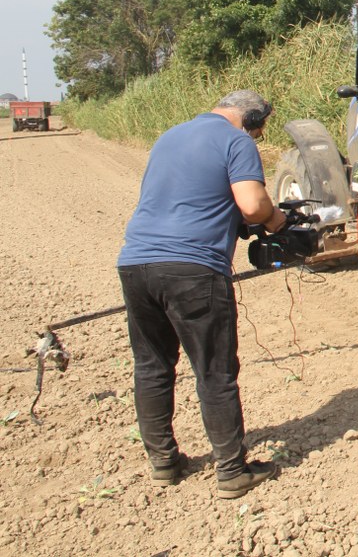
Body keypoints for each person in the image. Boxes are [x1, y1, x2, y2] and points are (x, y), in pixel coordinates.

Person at [117, 90, 288, 499]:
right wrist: (277, 219)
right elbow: (251, 206)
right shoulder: (237, 141)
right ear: (249, 120)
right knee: (214, 371)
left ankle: (164, 462)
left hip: (136, 263)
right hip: (192, 269)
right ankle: (232, 471)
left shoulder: (169, 136)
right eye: (260, 132)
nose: (258, 138)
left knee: (152, 365)